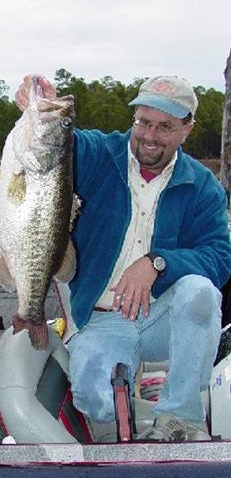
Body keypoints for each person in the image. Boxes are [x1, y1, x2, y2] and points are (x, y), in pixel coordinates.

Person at [16, 74, 231, 441]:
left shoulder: (201, 185)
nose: (150, 135)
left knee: (200, 292)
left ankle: (179, 418)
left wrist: (157, 262)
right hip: (104, 321)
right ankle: (124, 395)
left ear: (187, 130)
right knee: (96, 401)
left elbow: (220, 257)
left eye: (165, 127)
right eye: (144, 122)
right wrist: (39, 105)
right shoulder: (98, 155)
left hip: (162, 315)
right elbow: (57, 144)